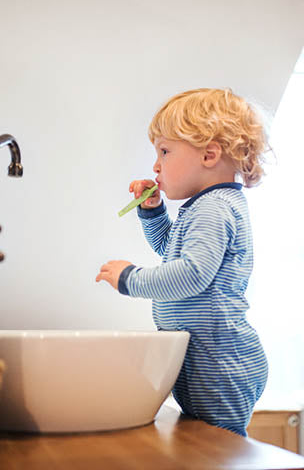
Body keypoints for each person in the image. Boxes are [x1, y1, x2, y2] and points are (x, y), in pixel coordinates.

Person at [96, 88, 269, 437]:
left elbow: (190, 275)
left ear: (209, 155)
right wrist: (153, 212)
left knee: (219, 448)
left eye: (164, 151)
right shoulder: (207, 206)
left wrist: (131, 279)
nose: (156, 165)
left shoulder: (213, 208)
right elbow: (171, 251)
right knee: (209, 446)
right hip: (211, 357)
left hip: (220, 362)